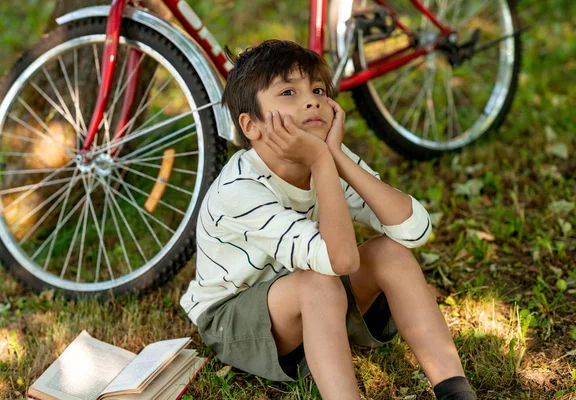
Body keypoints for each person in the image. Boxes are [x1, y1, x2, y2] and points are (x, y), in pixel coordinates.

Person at [180, 39, 477, 400]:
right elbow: (343, 261)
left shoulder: (325, 155)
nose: (312, 100)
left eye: (318, 90)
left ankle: (455, 392)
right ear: (251, 126)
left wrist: (334, 156)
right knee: (318, 284)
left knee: (390, 254)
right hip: (235, 320)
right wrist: (323, 162)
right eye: (288, 92)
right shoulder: (239, 190)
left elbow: (415, 231)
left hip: (319, 302)